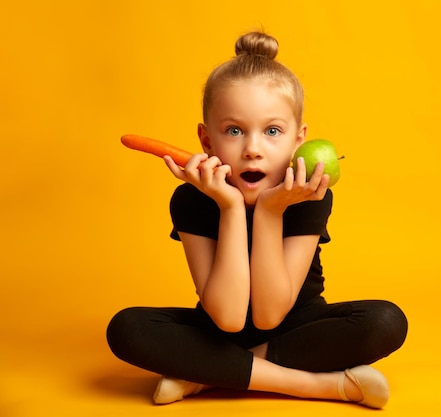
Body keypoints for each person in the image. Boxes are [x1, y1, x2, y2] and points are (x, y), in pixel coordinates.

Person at [106, 31, 408, 409]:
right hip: (218, 330)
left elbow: (269, 315)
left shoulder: (309, 194)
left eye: (272, 131)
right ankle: (324, 386)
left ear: (298, 140)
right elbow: (230, 318)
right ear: (206, 141)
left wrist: (269, 210)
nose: (252, 149)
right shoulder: (191, 199)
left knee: (384, 321)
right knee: (127, 329)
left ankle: (206, 374)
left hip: (297, 330)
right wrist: (231, 208)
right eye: (234, 130)